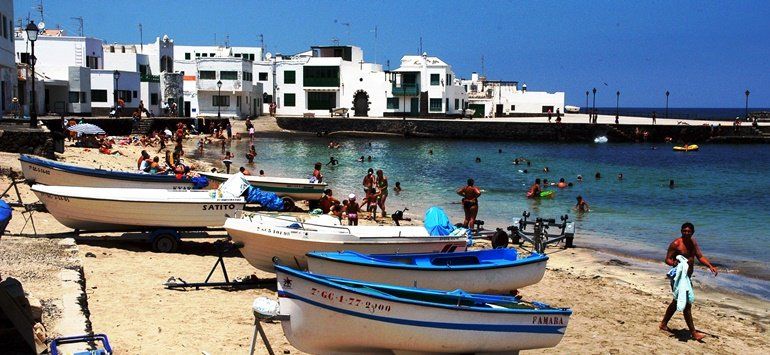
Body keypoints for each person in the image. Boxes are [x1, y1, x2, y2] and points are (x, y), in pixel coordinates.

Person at [660, 222, 718, 341]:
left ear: (692, 232)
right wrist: (674, 263)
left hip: (688, 277)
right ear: (681, 231)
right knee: (687, 305)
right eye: (684, 231)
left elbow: (699, 256)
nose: (686, 233)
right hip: (679, 277)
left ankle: (663, 324)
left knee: (676, 302)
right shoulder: (676, 244)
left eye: (689, 231)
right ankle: (693, 333)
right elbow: (667, 259)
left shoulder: (693, 242)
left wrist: (710, 266)